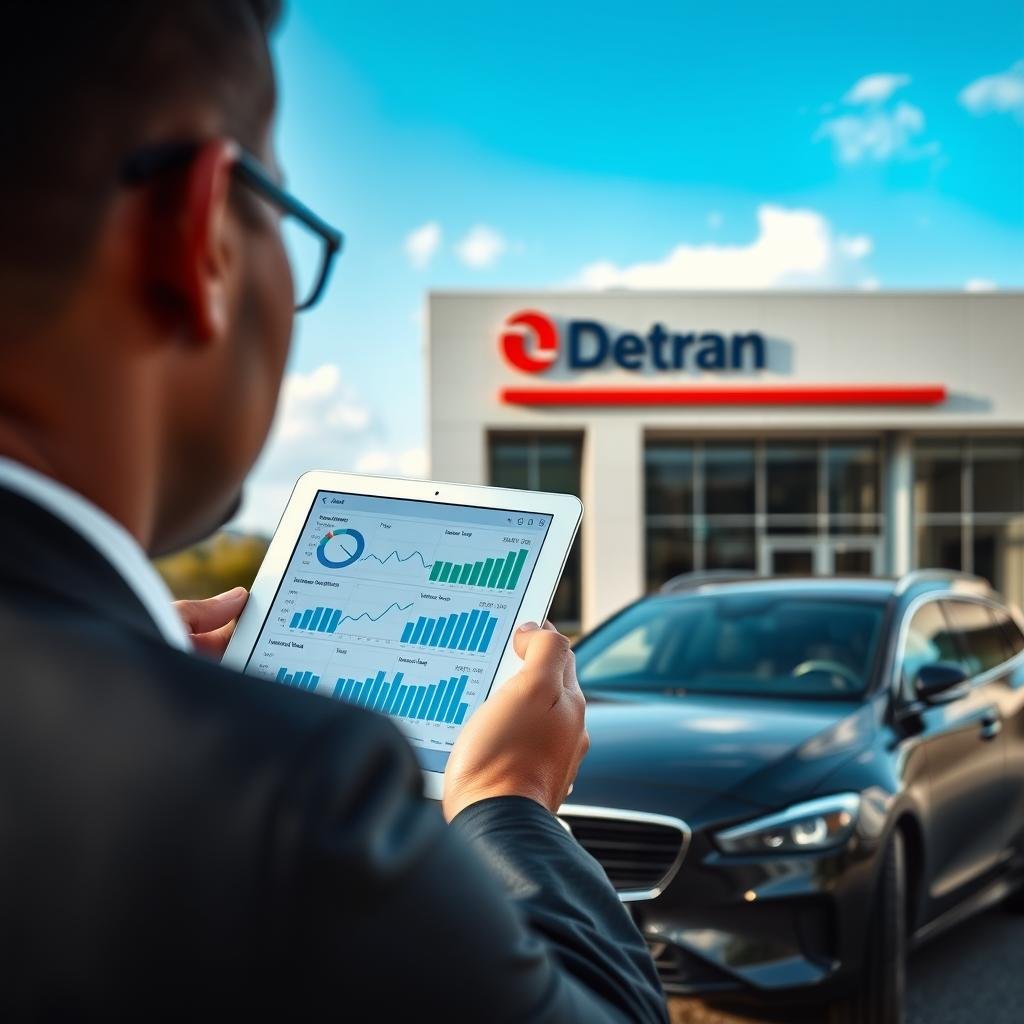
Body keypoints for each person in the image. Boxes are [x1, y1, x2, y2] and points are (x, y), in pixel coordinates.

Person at [0, 3, 667, 1020]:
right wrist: (510, 805)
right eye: (284, 221)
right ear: (203, 233)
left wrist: (122, 665)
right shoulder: (287, 799)